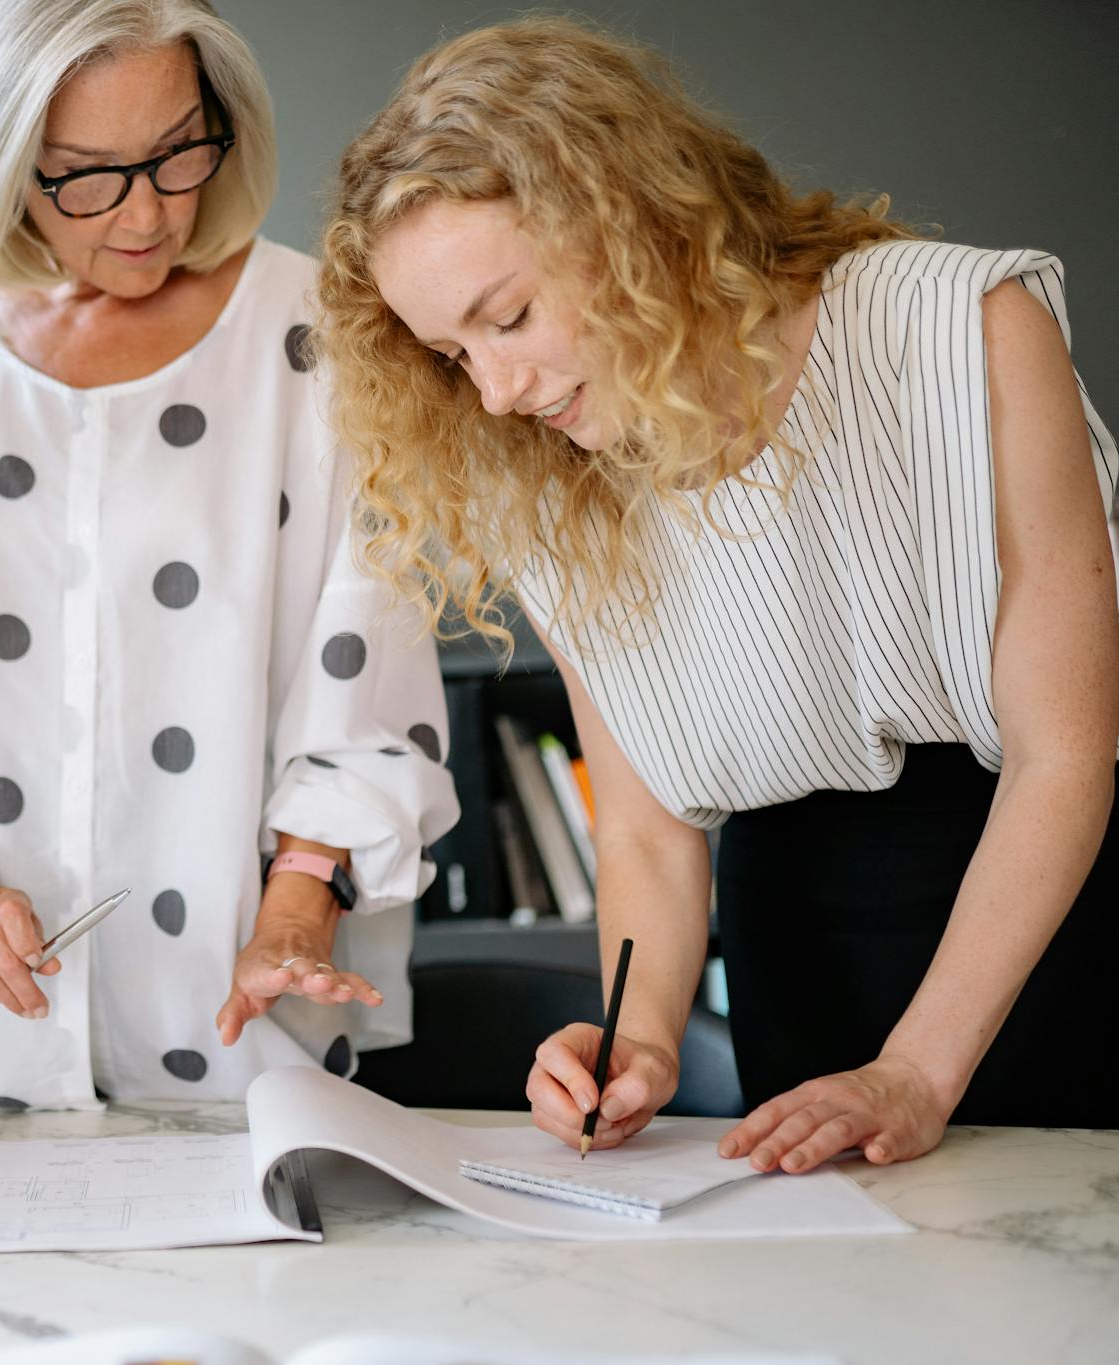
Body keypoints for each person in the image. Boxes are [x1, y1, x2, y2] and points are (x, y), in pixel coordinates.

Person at [316, 16, 1119, 1171]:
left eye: (508, 319)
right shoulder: (541, 476)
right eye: (451, 355)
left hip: (1054, 916)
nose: (490, 394)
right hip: (795, 938)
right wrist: (634, 1042)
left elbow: (1063, 755)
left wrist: (913, 1069)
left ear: (630, 217)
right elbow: (644, 828)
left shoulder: (959, 328)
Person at [0, 0, 459, 1112]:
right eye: (86, 175)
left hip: (239, 1029)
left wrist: (297, 906)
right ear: (7, 163)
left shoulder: (318, 333)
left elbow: (365, 662)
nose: (148, 213)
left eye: (175, 153)